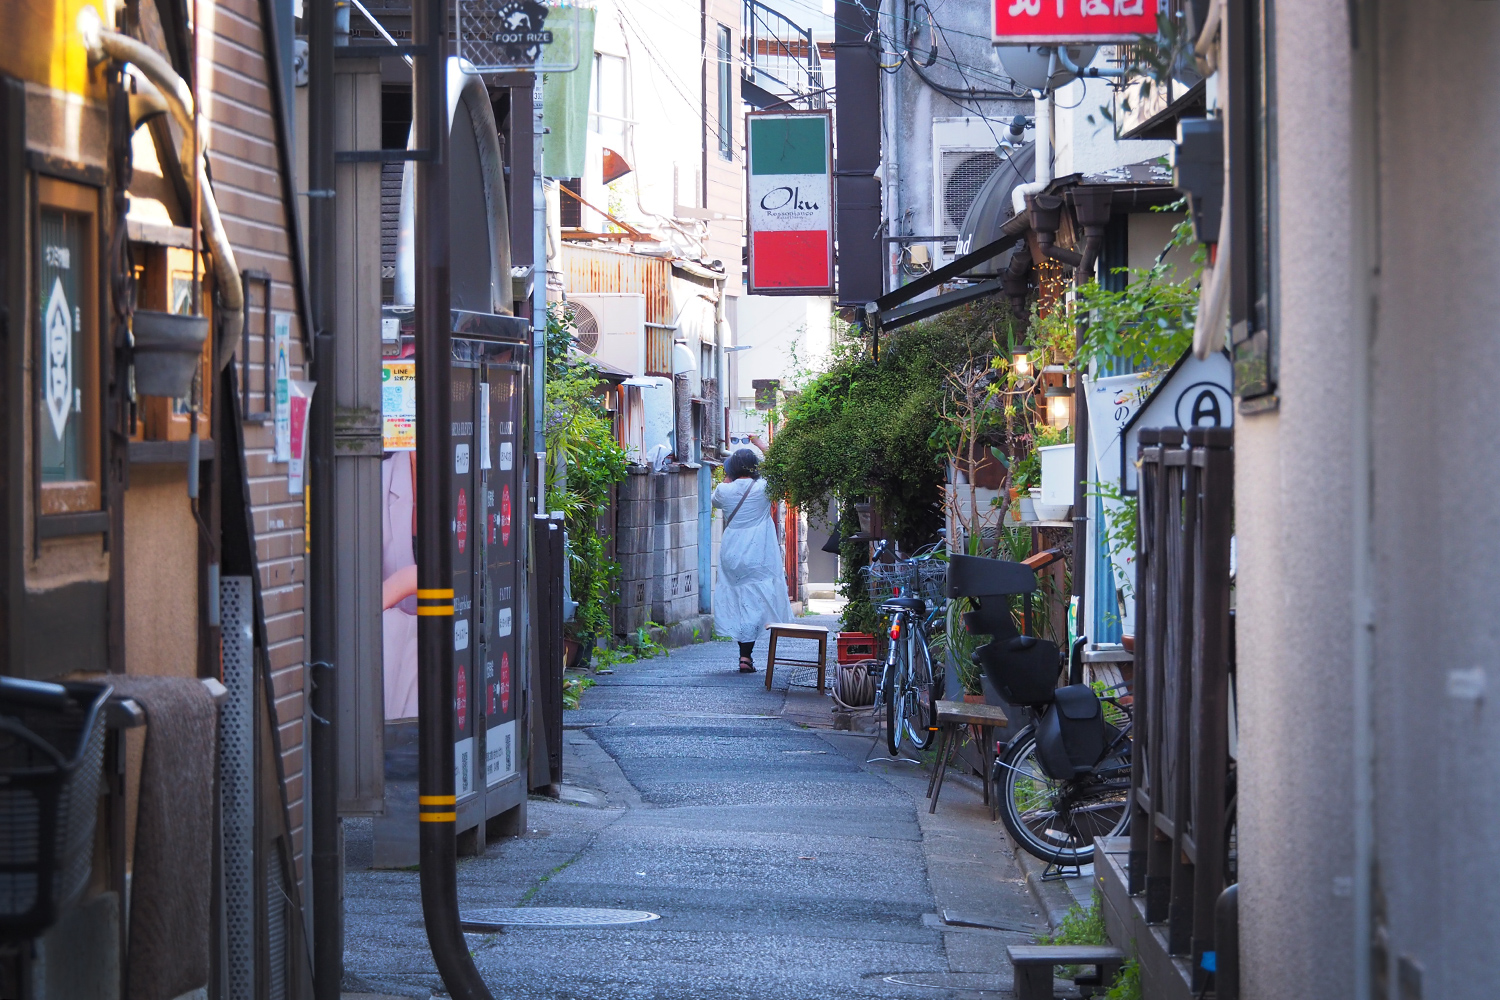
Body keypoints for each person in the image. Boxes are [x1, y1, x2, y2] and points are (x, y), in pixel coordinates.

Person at [712, 445, 793, 672]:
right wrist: (761, 445)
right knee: (755, 601)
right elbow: (781, 467)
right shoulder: (764, 487)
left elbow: (715, 501)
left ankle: (744, 655)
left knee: (739, 599)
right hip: (759, 551)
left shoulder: (723, 490)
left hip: (732, 551)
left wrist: (728, 479)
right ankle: (746, 655)